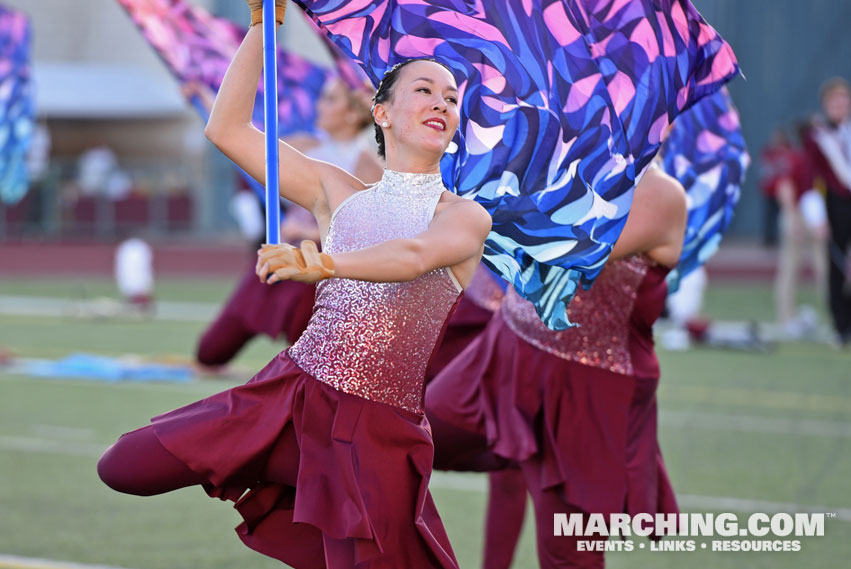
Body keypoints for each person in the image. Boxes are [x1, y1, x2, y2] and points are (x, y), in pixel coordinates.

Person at [97, 3, 491, 568]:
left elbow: (413, 256)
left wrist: (324, 266)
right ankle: (292, 468)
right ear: (380, 112)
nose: (442, 103)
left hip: (375, 427)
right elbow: (226, 129)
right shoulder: (337, 191)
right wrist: (261, 32)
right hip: (291, 393)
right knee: (124, 466)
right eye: (425, 90)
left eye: (451, 98)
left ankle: (315, 485)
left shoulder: (464, 216)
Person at [426, 164, 687, 569]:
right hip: (506, 351)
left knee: (568, 557)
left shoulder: (661, 194)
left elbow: (570, 250)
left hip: (586, 393)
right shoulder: (553, 162)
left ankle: (527, 453)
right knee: (408, 443)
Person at [185, 76, 382, 369]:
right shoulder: (307, 145)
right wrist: (203, 97)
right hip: (281, 255)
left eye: (330, 99)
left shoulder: (366, 164)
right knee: (210, 352)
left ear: (352, 113)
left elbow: (373, 232)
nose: (319, 105)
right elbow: (243, 139)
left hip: (318, 270)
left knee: (312, 364)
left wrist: (308, 230)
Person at [759, 126, 827, 338]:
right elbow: (785, 186)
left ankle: (835, 315)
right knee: (791, 266)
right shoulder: (795, 157)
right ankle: (786, 316)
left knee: (822, 267)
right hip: (798, 212)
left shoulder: (812, 157)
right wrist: (793, 217)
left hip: (810, 212)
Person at [801, 77, 851, 346]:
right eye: (835, 100)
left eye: (844, 99)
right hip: (836, 205)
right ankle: (841, 325)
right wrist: (817, 217)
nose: (840, 105)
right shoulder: (818, 137)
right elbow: (810, 179)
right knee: (837, 268)